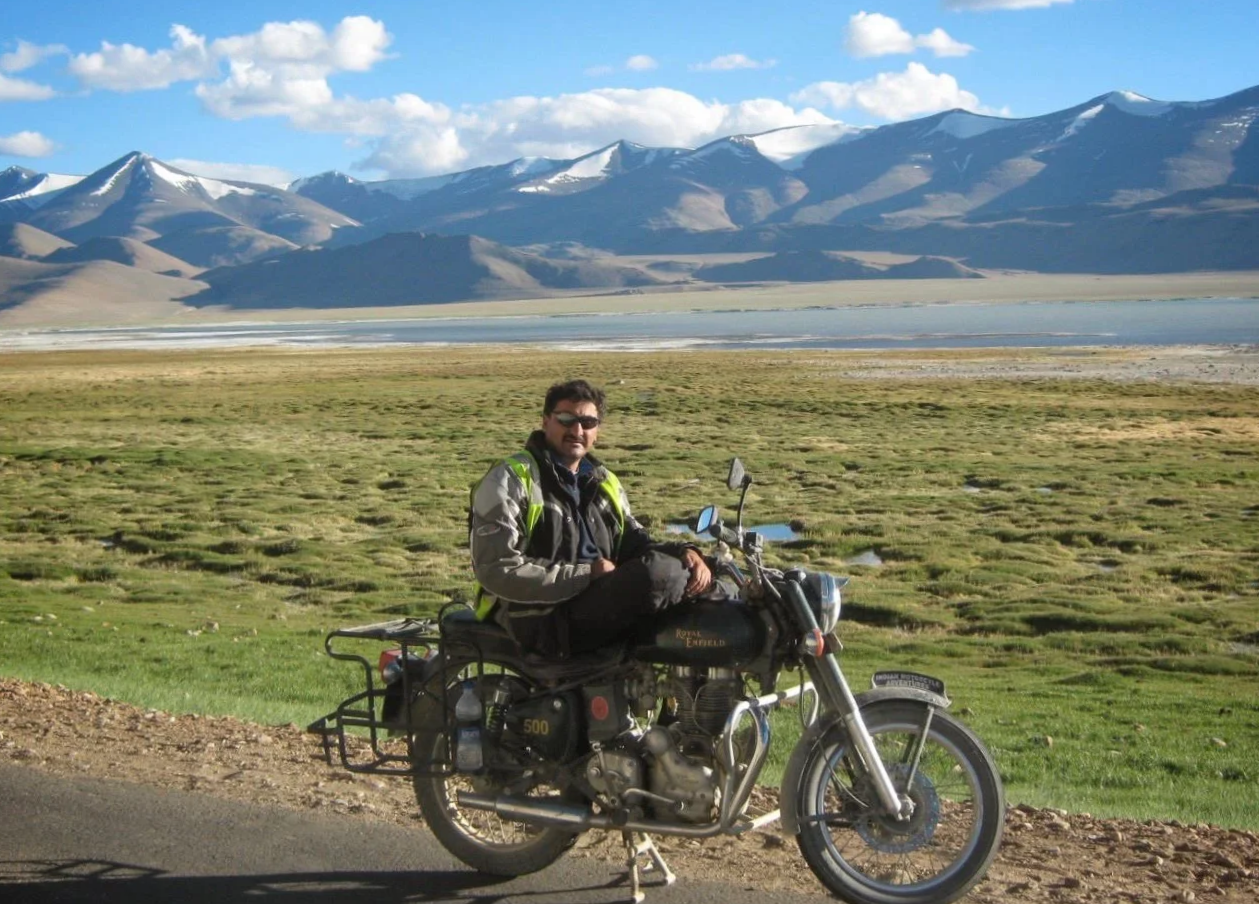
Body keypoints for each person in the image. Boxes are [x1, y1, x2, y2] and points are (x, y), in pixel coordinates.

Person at [469, 379, 712, 656]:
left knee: (712, 571)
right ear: (546, 421)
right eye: (566, 419)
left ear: (597, 431)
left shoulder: (602, 480)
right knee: (656, 574)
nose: (577, 430)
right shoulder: (510, 478)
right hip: (539, 617)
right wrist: (586, 575)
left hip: (599, 603)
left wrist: (686, 552)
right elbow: (496, 570)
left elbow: (635, 542)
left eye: (587, 422)